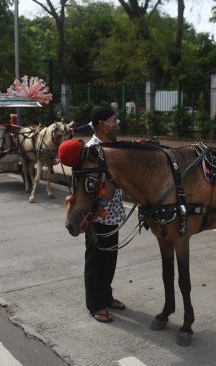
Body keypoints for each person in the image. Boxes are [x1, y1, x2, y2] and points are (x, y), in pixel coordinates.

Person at [84, 105, 127, 323]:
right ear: (102, 124)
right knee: (96, 261)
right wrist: (94, 210)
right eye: (113, 119)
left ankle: (106, 296)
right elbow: (87, 185)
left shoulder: (110, 146)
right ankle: (94, 303)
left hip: (113, 213)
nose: (116, 122)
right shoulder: (93, 149)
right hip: (97, 214)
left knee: (109, 259)